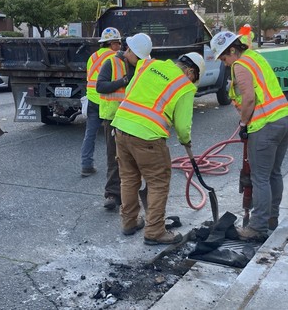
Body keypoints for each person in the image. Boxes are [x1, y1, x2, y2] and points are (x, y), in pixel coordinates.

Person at [111, 51, 205, 245]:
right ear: (190, 72)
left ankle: (129, 222)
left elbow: (130, 93)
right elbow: (182, 125)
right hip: (148, 137)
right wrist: (185, 141)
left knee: (128, 178)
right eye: (195, 79)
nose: (193, 83)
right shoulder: (184, 85)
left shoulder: (148, 65)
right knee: (158, 182)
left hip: (121, 127)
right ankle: (154, 231)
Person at [210, 31, 288, 241]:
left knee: (260, 178)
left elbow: (249, 98)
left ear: (232, 50)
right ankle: (271, 219)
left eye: (224, 57)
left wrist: (244, 123)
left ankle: (257, 228)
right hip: (284, 118)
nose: (225, 63)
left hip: (265, 124)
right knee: (274, 173)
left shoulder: (241, 65)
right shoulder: (255, 57)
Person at [96, 33, 152, 210]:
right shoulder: (111, 63)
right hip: (113, 118)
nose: (140, 61)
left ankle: (131, 192)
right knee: (114, 158)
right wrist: (123, 81)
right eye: (138, 57)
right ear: (129, 51)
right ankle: (112, 194)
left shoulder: (141, 66)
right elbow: (100, 86)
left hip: (134, 119)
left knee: (135, 159)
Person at [80, 27, 122, 177]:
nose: (120, 46)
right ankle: (115, 167)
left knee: (90, 134)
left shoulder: (93, 57)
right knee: (112, 138)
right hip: (107, 101)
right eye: (118, 43)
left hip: (91, 99)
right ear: (112, 43)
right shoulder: (115, 57)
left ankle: (86, 165)